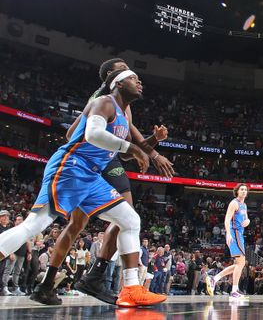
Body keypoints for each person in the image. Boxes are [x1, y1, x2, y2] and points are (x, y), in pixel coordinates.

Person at [0, 69, 166, 307]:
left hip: (92, 176)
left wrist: (143, 147)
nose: (139, 82)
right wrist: (131, 148)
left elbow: (120, 152)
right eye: (133, 78)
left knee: (130, 220)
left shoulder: (122, 116)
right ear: (117, 83)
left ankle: (131, 289)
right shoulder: (104, 102)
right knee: (34, 225)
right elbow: (92, 134)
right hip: (71, 168)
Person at [206, 184, 251, 298]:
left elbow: (245, 219)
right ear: (237, 191)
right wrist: (228, 234)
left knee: (239, 264)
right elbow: (227, 219)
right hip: (234, 233)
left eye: (245, 189)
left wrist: (248, 221)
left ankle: (214, 279)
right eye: (242, 189)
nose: (244, 191)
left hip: (240, 234)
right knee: (241, 263)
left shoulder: (244, 205)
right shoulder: (234, 203)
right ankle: (234, 290)